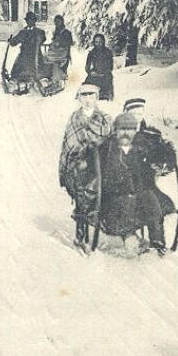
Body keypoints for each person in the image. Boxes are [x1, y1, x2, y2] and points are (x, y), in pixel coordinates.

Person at [97, 112, 168, 252]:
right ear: (115, 131)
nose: (125, 134)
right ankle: (129, 236)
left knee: (151, 198)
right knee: (126, 202)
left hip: (136, 196)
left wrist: (160, 164)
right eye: (122, 129)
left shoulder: (139, 149)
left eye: (129, 130)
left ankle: (157, 240)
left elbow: (158, 157)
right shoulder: (107, 149)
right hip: (113, 200)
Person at [59, 84, 112, 243]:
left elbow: (110, 140)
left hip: (101, 162)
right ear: (79, 99)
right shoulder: (74, 119)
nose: (88, 100)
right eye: (84, 96)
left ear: (96, 98)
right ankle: (81, 227)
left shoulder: (105, 118)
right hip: (80, 163)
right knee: (81, 188)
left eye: (91, 96)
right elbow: (69, 144)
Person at [123, 97, 177, 223]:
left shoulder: (150, 134)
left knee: (158, 199)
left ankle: (160, 223)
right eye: (133, 113)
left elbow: (162, 151)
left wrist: (162, 162)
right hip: (125, 176)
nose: (136, 117)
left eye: (139, 113)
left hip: (145, 178)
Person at [9, 11, 46, 83]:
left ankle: (36, 79)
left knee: (36, 69)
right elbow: (15, 41)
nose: (29, 22)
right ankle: (16, 80)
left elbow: (43, 39)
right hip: (24, 55)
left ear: (34, 21)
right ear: (26, 21)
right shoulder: (23, 32)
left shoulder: (39, 32)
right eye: (28, 20)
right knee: (18, 67)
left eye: (31, 20)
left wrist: (39, 40)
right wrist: (12, 40)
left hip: (35, 55)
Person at [84, 33, 114, 101]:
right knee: (85, 87)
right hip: (95, 73)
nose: (98, 44)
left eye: (100, 41)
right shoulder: (92, 53)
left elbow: (110, 66)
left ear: (103, 42)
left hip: (105, 74)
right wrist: (91, 72)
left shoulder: (108, 52)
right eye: (96, 42)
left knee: (105, 88)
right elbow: (87, 66)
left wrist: (103, 74)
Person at [45, 14, 73, 85]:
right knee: (45, 57)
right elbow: (54, 41)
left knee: (53, 60)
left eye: (58, 21)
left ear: (62, 22)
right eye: (56, 22)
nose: (57, 23)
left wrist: (60, 43)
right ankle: (48, 76)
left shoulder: (66, 32)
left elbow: (69, 43)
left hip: (62, 53)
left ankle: (58, 76)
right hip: (55, 51)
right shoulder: (56, 32)